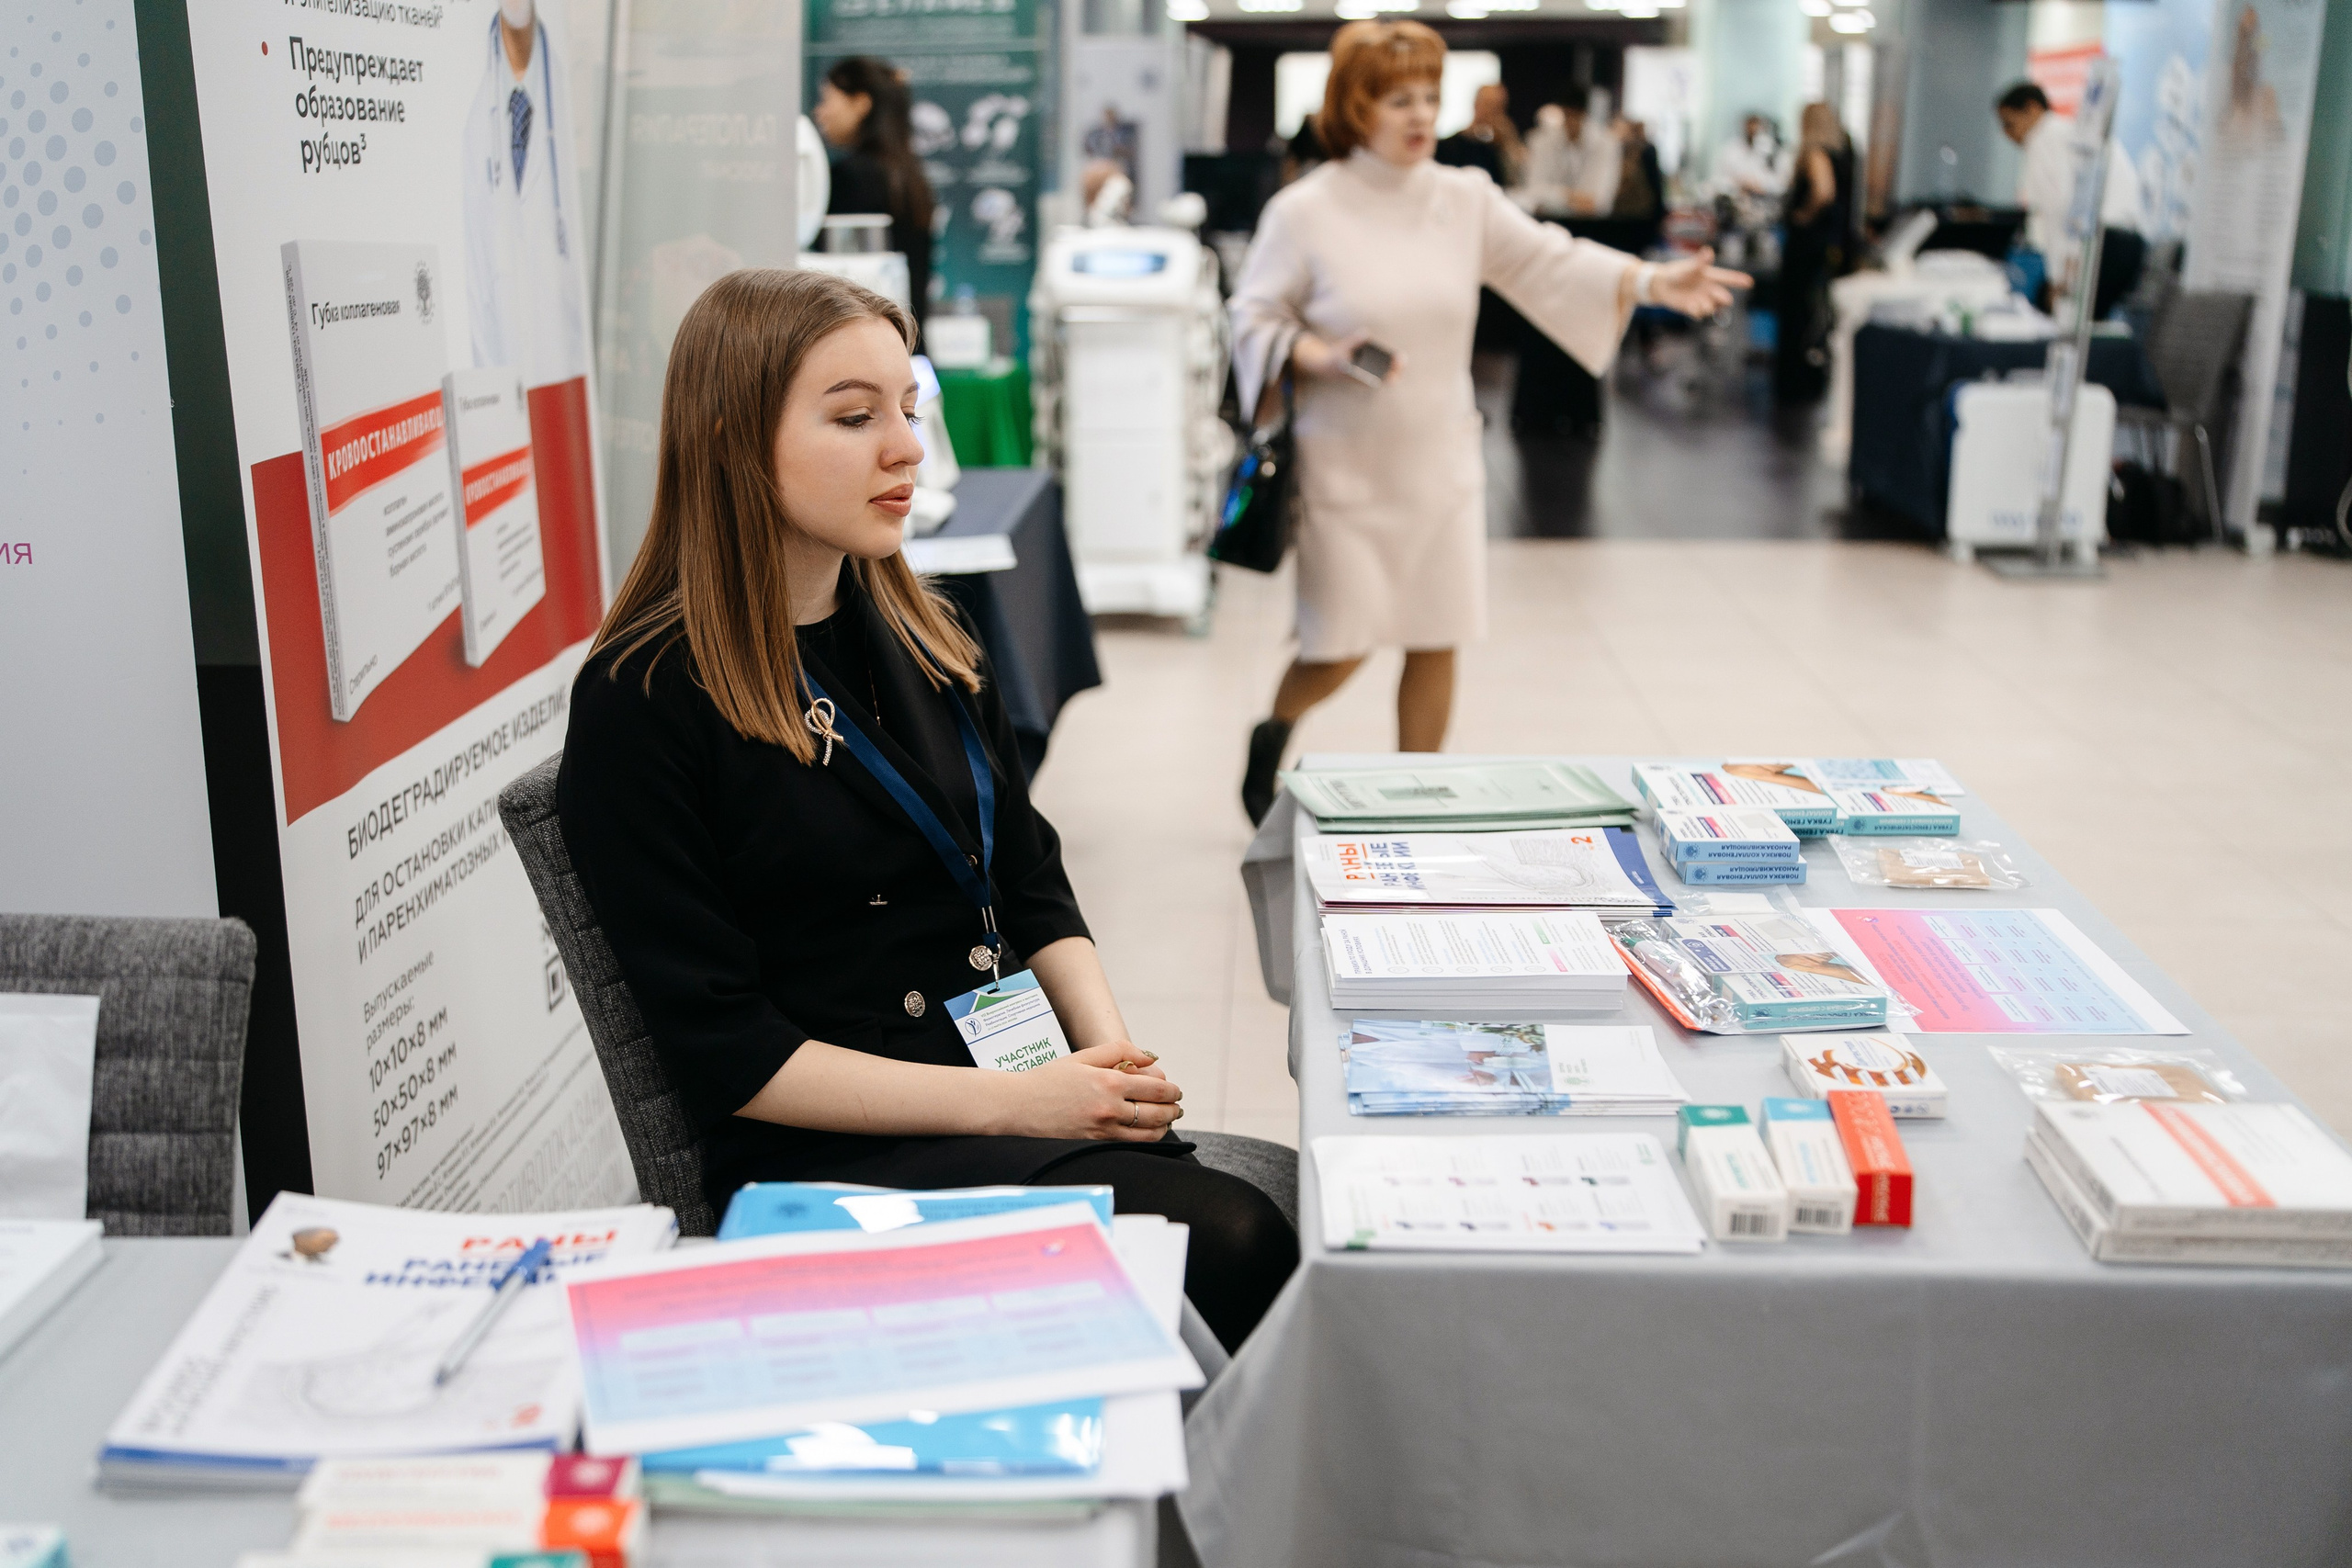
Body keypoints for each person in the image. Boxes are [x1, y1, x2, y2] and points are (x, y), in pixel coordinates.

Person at [558, 269, 1296, 1351]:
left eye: (910, 409)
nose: (904, 448)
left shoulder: (926, 633)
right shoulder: (646, 699)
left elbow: (1029, 879)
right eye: (855, 418)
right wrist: (1026, 1105)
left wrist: (1109, 1061)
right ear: (728, 437)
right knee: (1230, 1240)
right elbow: (731, 1055)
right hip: (829, 1146)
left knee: (1258, 1228)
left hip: (1005, 1078)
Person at [1227, 22, 1746, 823]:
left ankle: (1419, 798)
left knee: (1437, 632)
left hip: (1440, 457)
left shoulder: (1462, 198)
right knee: (1343, 643)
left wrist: (1651, 281)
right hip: (1345, 466)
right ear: (1356, 104)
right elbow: (1252, 316)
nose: (1420, 113)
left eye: (1430, 97)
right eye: (1400, 98)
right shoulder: (1305, 210)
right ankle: (1274, 731)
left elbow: (1550, 259)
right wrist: (1319, 353)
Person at [462, 0, 590, 386]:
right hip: (506, 374)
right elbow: (477, 280)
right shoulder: (476, 125)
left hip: (569, 375)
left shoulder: (573, 103)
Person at [1996, 82, 2146, 321]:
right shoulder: (2073, 133)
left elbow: (2063, 211)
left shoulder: (2041, 139)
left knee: (2063, 326)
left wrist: (2059, 278)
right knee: (2088, 327)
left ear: (2032, 109)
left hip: (2098, 245)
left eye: (2008, 123)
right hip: (2127, 244)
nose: (2007, 134)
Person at [813, 57, 938, 328]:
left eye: (827, 100)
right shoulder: (909, 177)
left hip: (864, 340)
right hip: (905, 339)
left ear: (860, 103)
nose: (820, 112)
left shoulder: (852, 176)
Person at [1773, 102, 1852, 401]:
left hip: (1805, 245)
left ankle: (1795, 384)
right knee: (1813, 313)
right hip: (1823, 245)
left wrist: (1803, 216)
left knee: (1798, 313)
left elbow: (1823, 191)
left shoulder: (1815, 153)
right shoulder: (1842, 153)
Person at [1436, 81, 1524, 187]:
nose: (1491, 112)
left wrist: (1508, 140)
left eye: (1498, 107)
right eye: (1488, 104)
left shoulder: (1500, 146)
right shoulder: (1450, 146)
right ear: (1476, 104)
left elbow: (1515, 179)